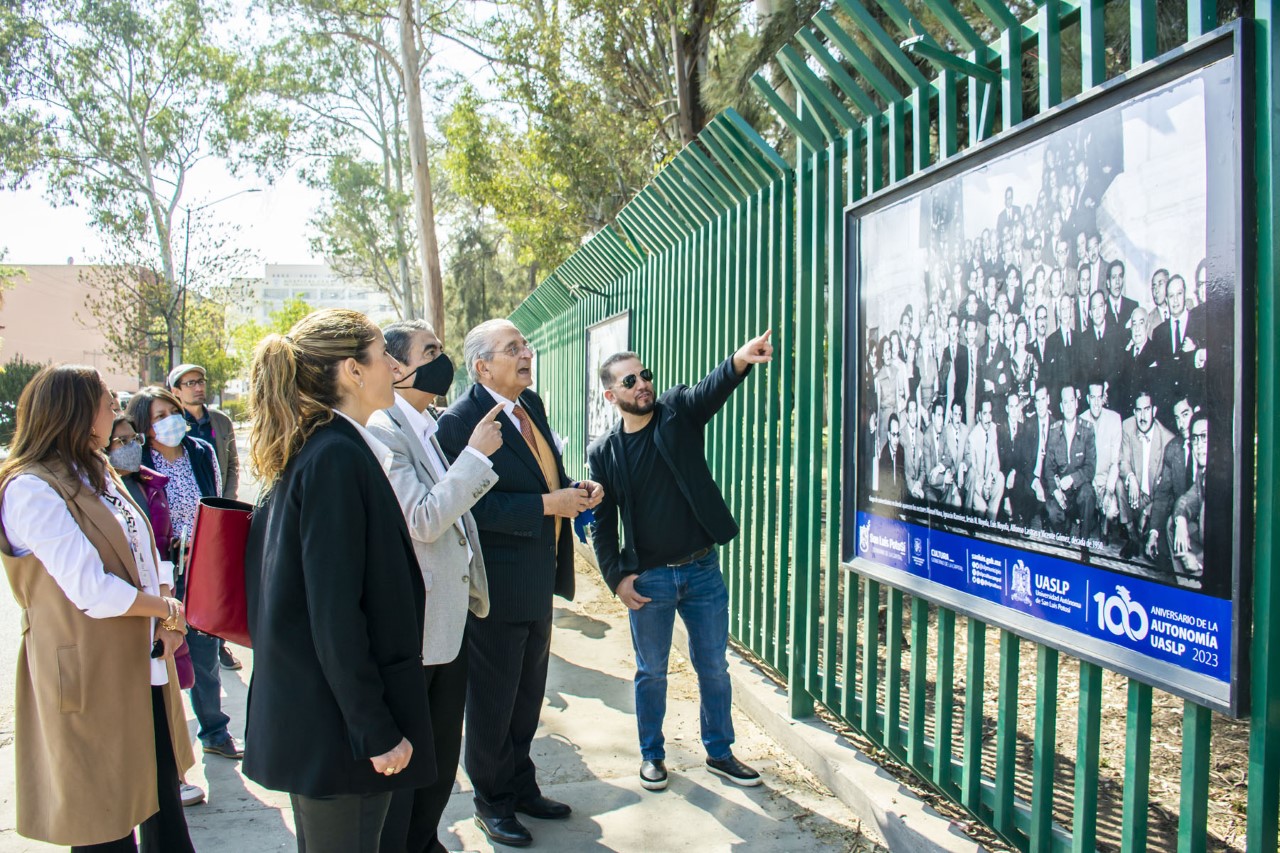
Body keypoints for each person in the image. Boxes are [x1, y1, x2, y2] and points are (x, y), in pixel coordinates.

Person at [243, 308, 432, 853]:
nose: (395, 367)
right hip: (338, 729)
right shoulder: (333, 457)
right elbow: (333, 612)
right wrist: (375, 728)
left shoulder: (322, 447)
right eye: (383, 355)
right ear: (352, 370)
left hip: (327, 721)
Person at [0, 365, 195, 850]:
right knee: (102, 818)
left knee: (160, 801)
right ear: (77, 413)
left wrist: (166, 614)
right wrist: (166, 610)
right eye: (108, 402)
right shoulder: (31, 488)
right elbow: (90, 588)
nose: (116, 411)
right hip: (87, 668)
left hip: (140, 661)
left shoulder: (96, 469)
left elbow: (145, 550)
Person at [435, 319, 603, 849]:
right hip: (494, 587)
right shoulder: (460, 423)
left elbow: (541, 475)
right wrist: (545, 506)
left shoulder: (530, 406)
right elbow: (463, 509)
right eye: (513, 349)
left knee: (528, 694)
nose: (526, 354)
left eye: (525, 345)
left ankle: (520, 785)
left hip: (537, 578)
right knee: (492, 699)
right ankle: (492, 801)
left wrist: (573, 489)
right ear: (482, 366)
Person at [587, 332, 773, 796]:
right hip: (650, 579)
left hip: (702, 570)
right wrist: (617, 578)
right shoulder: (604, 453)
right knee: (652, 671)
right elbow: (602, 522)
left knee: (713, 666)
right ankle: (652, 755)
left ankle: (719, 752)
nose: (643, 384)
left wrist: (739, 359)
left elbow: (709, 389)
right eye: (631, 381)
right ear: (611, 395)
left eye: (645, 375)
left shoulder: (676, 414)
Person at [366, 319, 503, 853]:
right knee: (415, 761)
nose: (441, 361)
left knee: (441, 757)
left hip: (451, 617)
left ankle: (423, 839)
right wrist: (475, 456)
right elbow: (422, 519)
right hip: (419, 628)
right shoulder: (384, 432)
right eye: (430, 351)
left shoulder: (427, 424)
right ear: (397, 367)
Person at [126, 386, 240, 762]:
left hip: (201, 566)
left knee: (206, 651)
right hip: (162, 571)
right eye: (157, 417)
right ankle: (168, 739)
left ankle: (214, 730)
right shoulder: (137, 461)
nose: (168, 421)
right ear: (145, 426)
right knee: (166, 652)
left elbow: (214, 499)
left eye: (170, 412)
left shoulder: (200, 451)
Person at [106, 414, 207, 809]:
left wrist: (167, 609)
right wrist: (164, 606)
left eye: (132, 438)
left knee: (169, 693)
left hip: (159, 602)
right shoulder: (101, 488)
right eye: (119, 440)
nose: (127, 446)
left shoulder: (146, 484)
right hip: (127, 612)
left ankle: (175, 776)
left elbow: (157, 547)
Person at [167, 362, 243, 672]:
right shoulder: (172, 424)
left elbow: (233, 464)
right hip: (183, 521)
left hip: (216, 512)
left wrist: (226, 500)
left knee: (217, 582)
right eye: (190, 383)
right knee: (185, 583)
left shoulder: (221, 422)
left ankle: (218, 643)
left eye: (201, 381)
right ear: (176, 391)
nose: (198, 387)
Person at [1116, 391, 1174, 560]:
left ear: (1154, 411)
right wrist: (1131, 478)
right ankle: (1132, 537)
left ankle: (1146, 534)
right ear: (1134, 412)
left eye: (1146, 410)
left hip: (1155, 500)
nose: (1142, 416)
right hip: (1135, 492)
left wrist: (1148, 510)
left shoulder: (1167, 439)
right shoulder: (1127, 426)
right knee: (1120, 484)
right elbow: (1123, 461)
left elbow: (1166, 491)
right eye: (1139, 410)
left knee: (1157, 551)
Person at [1147, 397, 1197, 570]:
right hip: (1180, 518)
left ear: (1196, 412)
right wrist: (1153, 533)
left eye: (1185, 415)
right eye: (1177, 418)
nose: (1182, 423)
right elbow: (1162, 495)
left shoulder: (1209, 446)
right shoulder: (1173, 448)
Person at [1044, 386, 1097, 539]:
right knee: (1052, 511)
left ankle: (1084, 541)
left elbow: (1090, 467)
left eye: (1071, 401)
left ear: (1077, 404)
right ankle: (1066, 526)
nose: (1068, 406)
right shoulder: (1054, 431)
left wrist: (1072, 479)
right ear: (1061, 406)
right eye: (1065, 402)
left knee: (1088, 495)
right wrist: (1056, 492)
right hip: (1062, 490)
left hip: (1079, 488)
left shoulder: (1087, 429)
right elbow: (1048, 468)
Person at [1169, 415, 1209, 581]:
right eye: (1195, 438)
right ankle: (1185, 584)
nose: (1199, 445)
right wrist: (1181, 522)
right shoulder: (1202, 473)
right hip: (1202, 534)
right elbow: (1185, 500)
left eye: (1204, 437)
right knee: (1172, 523)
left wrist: (1200, 561)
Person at [1080, 381, 1123, 532]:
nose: (1097, 403)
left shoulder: (1114, 419)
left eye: (1100, 397)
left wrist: (1109, 492)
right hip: (1089, 482)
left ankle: (1104, 517)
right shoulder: (1081, 420)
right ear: (1087, 399)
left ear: (1104, 398)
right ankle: (1093, 515)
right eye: (1093, 397)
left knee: (1111, 512)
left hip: (1106, 482)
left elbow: (1115, 462)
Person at [964, 399, 1004, 521]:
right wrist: (983, 487)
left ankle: (991, 518)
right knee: (981, 511)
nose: (988, 417)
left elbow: (996, 462)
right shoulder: (973, 437)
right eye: (985, 413)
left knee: (1001, 477)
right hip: (977, 486)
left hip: (988, 482)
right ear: (980, 415)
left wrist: (990, 479)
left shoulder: (993, 429)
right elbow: (973, 471)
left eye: (990, 413)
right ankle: (983, 510)